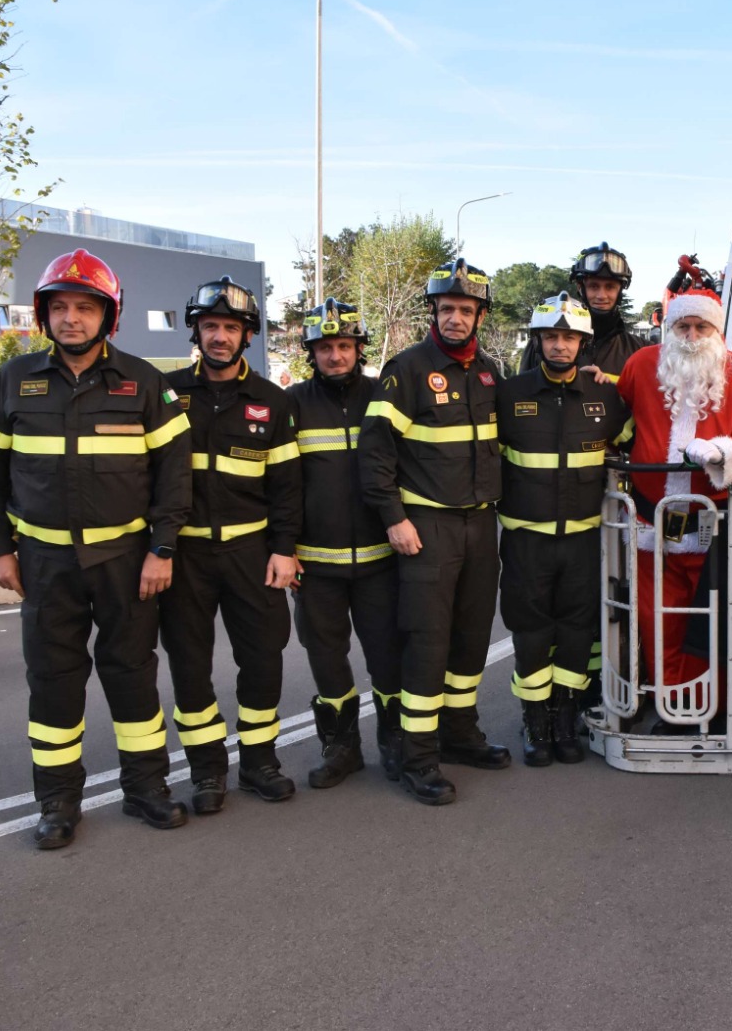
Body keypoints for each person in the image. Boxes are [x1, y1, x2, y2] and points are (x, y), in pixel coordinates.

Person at [0, 249, 193, 848]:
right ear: (44, 315)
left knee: (132, 677)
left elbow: (175, 475)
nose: (72, 319)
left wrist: (162, 548)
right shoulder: (14, 380)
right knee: (53, 680)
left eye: (85, 307)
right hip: (45, 564)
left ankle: (146, 787)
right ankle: (58, 802)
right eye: (60, 307)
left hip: (125, 562)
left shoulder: (145, 383)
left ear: (108, 316)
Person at [360, 257, 512, 806]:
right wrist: (393, 518)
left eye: (465, 310)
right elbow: (375, 453)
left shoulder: (491, 372)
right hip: (426, 527)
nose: (455, 318)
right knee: (427, 643)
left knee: (471, 637)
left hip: (480, 524)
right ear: (435, 312)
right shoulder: (406, 369)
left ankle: (459, 733)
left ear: (479, 315)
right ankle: (418, 756)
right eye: (447, 308)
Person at [160, 276, 301, 813]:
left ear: (248, 336)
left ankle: (260, 762)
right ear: (196, 331)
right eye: (211, 326)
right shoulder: (166, 394)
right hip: (187, 556)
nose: (220, 336)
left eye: (232, 328)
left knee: (263, 660)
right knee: (190, 665)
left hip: (253, 553)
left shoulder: (273, 401)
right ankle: (206, 772)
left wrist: (284, 550)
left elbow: (289, 488)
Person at [616, 288, 732, 727]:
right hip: (652, 517)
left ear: (717, 331)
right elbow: (616, 408)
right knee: (657, 619)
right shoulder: (642, 364)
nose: (691, 335)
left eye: (702, 326)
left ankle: (718, 706)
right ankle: (674, 706)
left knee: (717, 619)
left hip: (715, 519)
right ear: (669, 328)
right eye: (682, 326)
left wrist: (722, 452)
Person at [498, 293, 631, 764]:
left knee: (578, 631)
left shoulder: (605, 396)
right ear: (538, 341)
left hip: (583, 540)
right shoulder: (510, 394)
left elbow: (644, 430)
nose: (560, 345)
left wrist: (614, 379)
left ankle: (565, 717)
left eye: (569, 337)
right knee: (531, 631)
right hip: (525, 541)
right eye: (551, 337)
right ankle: (535, 722)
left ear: (582, 343)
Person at [286, 299, 404, 787]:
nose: (335, 355)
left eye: (344, 345)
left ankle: (395, 743)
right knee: (327, 661)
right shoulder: (291, 403)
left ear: (359, 348)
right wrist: (284, 546)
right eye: (324, 347)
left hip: (381, 561)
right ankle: (341, 748)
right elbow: (282, 484)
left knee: (389, 659)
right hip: (316, 567)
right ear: (310, 352)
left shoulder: (384, 396)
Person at [520, 242, 646, 381]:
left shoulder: (640, 350)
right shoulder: (543, 343)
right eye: (593, 286)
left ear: (620, 291)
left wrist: (614, 385)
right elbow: (523, 392)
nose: (601, 295)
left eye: (610, 287)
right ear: (580, 288)